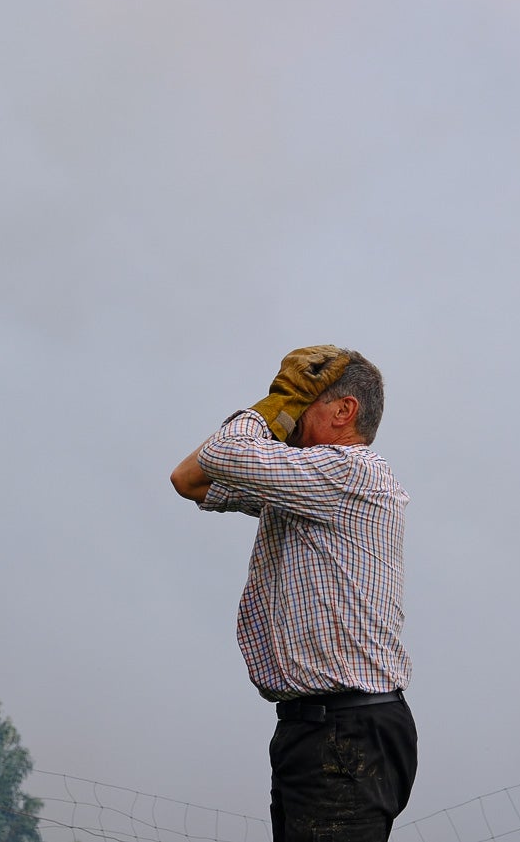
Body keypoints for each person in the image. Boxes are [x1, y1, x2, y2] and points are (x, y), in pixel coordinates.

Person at [170, 345, 417, 842]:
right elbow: (190, 479)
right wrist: (278, 415)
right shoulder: (307, 486)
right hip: (321, 731)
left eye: (304, 404)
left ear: (345, 411)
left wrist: (272, 405)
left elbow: (224, 453)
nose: (292, 419)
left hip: (345, 732)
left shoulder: (347, 471)